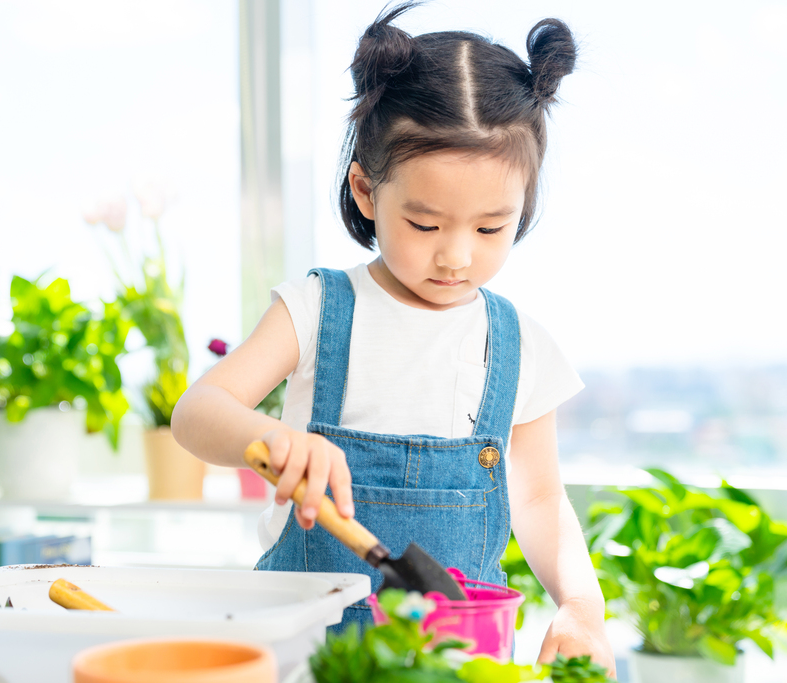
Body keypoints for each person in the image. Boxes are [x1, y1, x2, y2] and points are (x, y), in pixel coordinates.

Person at [171, 2, 614, 674]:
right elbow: (195, 415)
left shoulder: (518, 343)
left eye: (491, 227)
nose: (457, 256)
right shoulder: (319, 309)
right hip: (302, 653)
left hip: (452, 660)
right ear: (367, 190)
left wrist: (582, 601)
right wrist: (274, 441)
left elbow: (540, 498)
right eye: (427, 224)